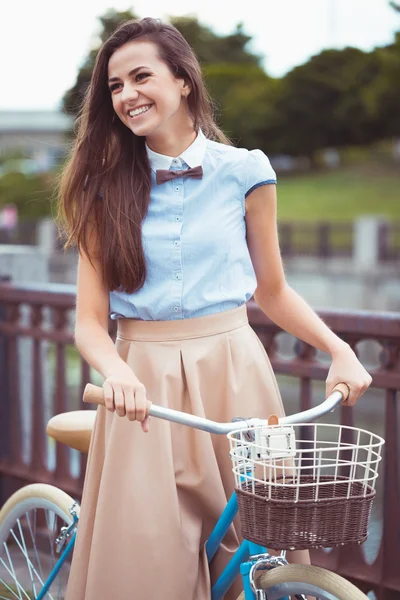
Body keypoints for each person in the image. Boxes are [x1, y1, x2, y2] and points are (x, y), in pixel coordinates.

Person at [58, 17, 372, 600]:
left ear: (183, 81)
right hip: (142, 391)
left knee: (257, 556)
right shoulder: (102, 188)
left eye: (141, 76)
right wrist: (119, 373)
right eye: (115, 86)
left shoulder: (246, 171)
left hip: (237, 372)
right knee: (151, 566)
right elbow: (89, 324)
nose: (127, 95)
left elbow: (272, 292)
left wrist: (339, 350)